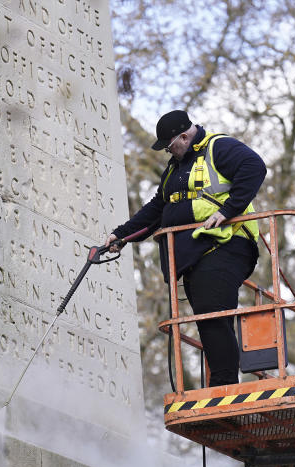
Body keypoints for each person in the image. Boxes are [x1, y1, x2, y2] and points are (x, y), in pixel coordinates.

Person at [107, 110, 266, 387]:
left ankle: (224, 384)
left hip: (227, 243)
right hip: (195, 253)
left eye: (170, 146)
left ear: (184, 136)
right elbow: (157, 210)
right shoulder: (174, 170)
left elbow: (255, 167)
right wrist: (121, 236)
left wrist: (228, 210)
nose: (169, 152)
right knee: (207, 316)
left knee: (211, 309)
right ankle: (222, 381)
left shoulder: (219, 147)